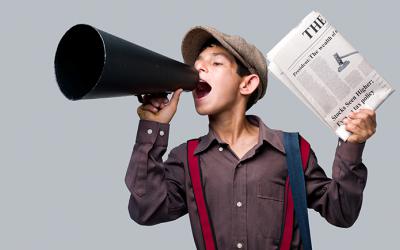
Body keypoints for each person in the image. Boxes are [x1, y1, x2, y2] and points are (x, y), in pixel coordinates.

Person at [124, 26, 376, 249]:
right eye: (197, 63)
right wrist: (152, 128)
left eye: (216, 63)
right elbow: (147, 210)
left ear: (247, 84)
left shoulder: (292, 150)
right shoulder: (186, 158)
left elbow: (342, 212)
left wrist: (352, 145)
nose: (198, 68)